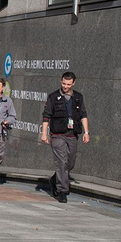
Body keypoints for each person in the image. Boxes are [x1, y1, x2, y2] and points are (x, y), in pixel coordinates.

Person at [41, 71, 89, 203]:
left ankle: (55, 179)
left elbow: (83, 115)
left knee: (70, 162)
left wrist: (86, 132)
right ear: (61, 81)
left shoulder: (78, 97)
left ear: (73, 83)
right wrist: (44, 133)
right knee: (61, 162)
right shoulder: (53, 97)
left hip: (72, 135)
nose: (65, 86)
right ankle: (62, 190)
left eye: (68, 84)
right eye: (63, 83)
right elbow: (46, 116)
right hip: (57, 135)